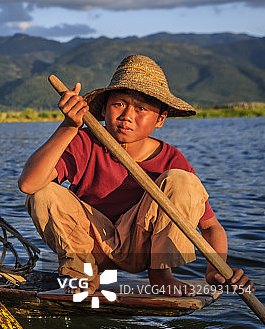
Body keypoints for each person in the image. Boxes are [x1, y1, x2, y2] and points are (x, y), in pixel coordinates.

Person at [18, 55, 253, 296]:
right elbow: (29, 184)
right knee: (43, 191)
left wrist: (215, 269)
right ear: (105, 108)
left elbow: (210, 226)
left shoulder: (170, 159)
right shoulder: (84, 141)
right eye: (119, 104)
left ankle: (161, 275)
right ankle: (82, 274)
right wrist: (68, 126)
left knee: (182, 181)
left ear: (160, 118)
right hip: (89, 245)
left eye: (141, 108)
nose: (127, 116)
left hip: (139, 249)